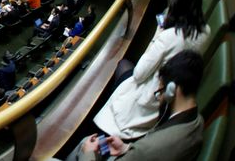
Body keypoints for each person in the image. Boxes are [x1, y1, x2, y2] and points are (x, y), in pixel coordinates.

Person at [93, 0, 209, 139]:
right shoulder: (205, 32)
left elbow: (139, 74)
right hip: (176, 93)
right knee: (123, 67)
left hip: (153, 98)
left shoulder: (168, 37)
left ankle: (102, 130)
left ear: (178, 4)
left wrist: (157, 35)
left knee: (122, 67)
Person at [66, 50, 204, 161]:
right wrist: (127, 148)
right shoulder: (197, 121)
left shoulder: (148, 148)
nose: (160, 97)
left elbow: (147, 151)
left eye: (160, 91)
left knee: (83, 145)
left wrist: (89, 154)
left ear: (173, 90)